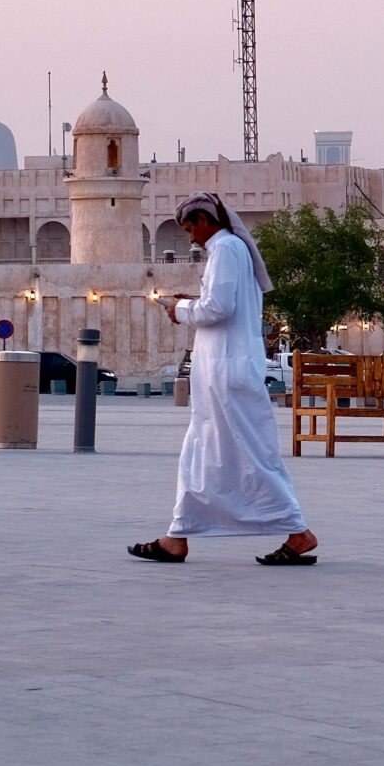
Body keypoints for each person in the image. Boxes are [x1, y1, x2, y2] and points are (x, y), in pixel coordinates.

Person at [132, 194, 320, 566]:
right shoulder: (230, 250)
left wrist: (181, 309)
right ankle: (177, 535)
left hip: (228, 371)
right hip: (223, 369)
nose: (191, 239)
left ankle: (298, 533)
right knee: (204, 452)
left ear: (204, 219)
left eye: (190, 229)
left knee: (247, 453)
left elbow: (218, 308)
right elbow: (220, 302)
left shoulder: (226, 248)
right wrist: (193, 301)